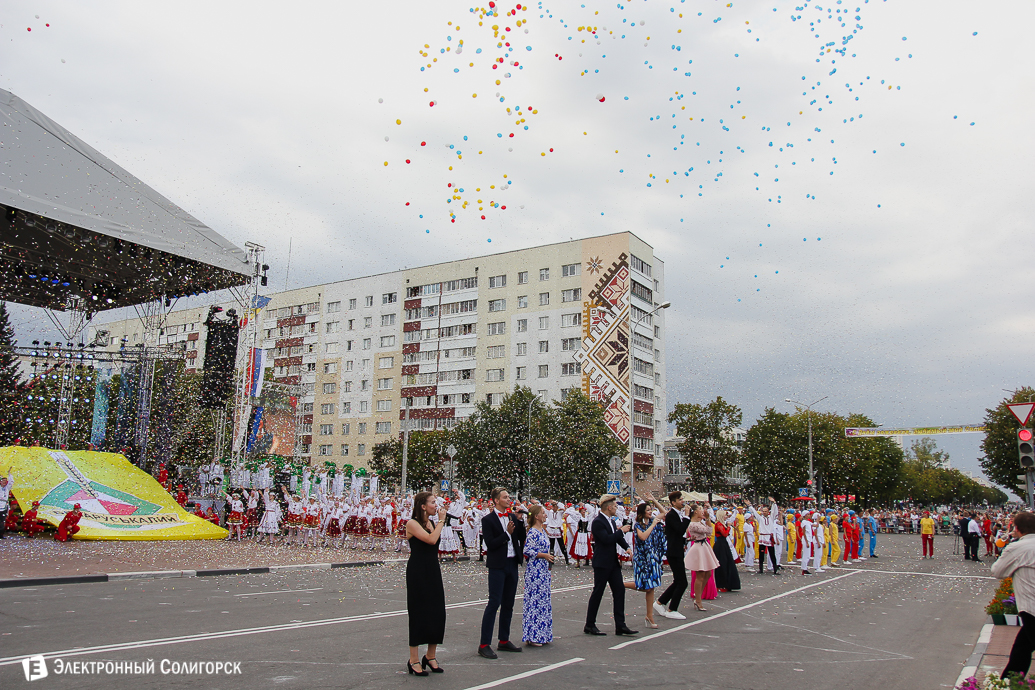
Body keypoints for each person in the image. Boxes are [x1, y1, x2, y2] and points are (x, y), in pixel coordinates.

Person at [479, 487, 526, 659]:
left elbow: (520, 537)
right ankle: (484, 643)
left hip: (512, 562)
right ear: (496, 500)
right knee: (494, 602)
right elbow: (491, 544)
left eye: (509, 497)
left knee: (509, 603)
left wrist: (520, 521)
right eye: (506, 497)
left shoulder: (511, 516)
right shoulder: (488, 519)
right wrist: (507, 533)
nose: (509, 500)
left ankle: (504, 639)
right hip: (498, 565)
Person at [405, 491, 448, 676]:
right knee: (418, 612)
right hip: (418, 572)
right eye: (432, 502)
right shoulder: (412, 523)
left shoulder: (431, 523)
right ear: (423, 506)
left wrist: (437, 523)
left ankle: (430, 656)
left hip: (432, 570)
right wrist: (441, 521)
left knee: (437, 611)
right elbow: (430, 540)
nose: (436, 505)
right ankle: (413, 659)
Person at [585, 494, 638, 636]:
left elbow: (616, 537)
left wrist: (626, 547)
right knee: (598, 592)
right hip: (602, 562)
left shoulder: (611, 521)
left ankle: (620, 625)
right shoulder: (598, 522)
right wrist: (621, 531)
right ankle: (590, 624)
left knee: (619, 590)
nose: (616, 509)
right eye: (614, 506)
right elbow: (606, 539)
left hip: (612, 562)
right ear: (608, 507)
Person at [625, 497, 667, 628]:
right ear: (642, 513)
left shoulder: (652, 521)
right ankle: (621, 584)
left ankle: (649, 616)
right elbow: (643, 537)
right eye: (648, 510)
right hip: (642, 558)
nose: (651, 511)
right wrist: (653, 524)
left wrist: (654, 500)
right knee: (646, 586)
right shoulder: (638, 524)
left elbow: (664, 512)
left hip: (652, 558)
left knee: (651, 588)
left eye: (651, 509)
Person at [656, 491, 692, 619]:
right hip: (673, 551)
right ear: (673, 502)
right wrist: (687, 517)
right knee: (682, 582)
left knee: (678, 581)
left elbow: (678, 533)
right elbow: (679, 530)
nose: (683, 501)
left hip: (676, 550)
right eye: (680, 499)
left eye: (682, 499)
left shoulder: (677, 514)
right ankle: (672, 609)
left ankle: (660, 602)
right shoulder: (671, 515)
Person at [522, 505, 554, 646]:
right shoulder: (533, 532)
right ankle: (533, 635)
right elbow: (528, 551)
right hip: (535, 571)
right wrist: (544, 555)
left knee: (543, 601)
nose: (545, 515)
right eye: (543, 513)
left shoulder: (542, 531)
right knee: (535, 601)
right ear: (536, 516)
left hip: (543, 570)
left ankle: (543, 634)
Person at [684, 503, 720, 611]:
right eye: (700, 510)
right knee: (700, 574)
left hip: (704, 546)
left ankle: (698, 594)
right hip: (699, 547)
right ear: (695, 512)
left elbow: (709, 531)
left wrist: (707, 519)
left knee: (708, 572)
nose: (702, 511)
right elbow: (709, 531)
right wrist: (708, 519)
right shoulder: (693, 524)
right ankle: (698, 600)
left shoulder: (699, 522)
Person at [748, 499, 780, 576]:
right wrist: (749, 505)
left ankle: (775, 569)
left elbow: (774, 511)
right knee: (761, 554)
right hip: (762, 537)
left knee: (772, 554)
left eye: (766, 511)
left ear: (768, 512)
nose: (764, 512)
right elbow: (755, 513)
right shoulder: (760, 518)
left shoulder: (771, 518)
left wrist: (774, 503)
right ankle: (761, 568)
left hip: (769, 537)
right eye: (763, 511)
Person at [712, 509, 741, 591]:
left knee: (727, 563)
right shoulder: (718, 524)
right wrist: (728, 526)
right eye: (725, 515)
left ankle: (727, 583)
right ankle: (721, 584)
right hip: (720, 545)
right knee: (722, 564)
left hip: (724, 544)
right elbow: (724, 534)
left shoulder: (722, 524)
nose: (726, 517)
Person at [0, 471, 12, 539]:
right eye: (3, 480)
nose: (4, 482)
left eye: (5, 480)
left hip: (4, 507)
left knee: (2, 522)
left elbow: (11, 482)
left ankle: (1, 535)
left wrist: (9, 474)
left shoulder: (7, 488)